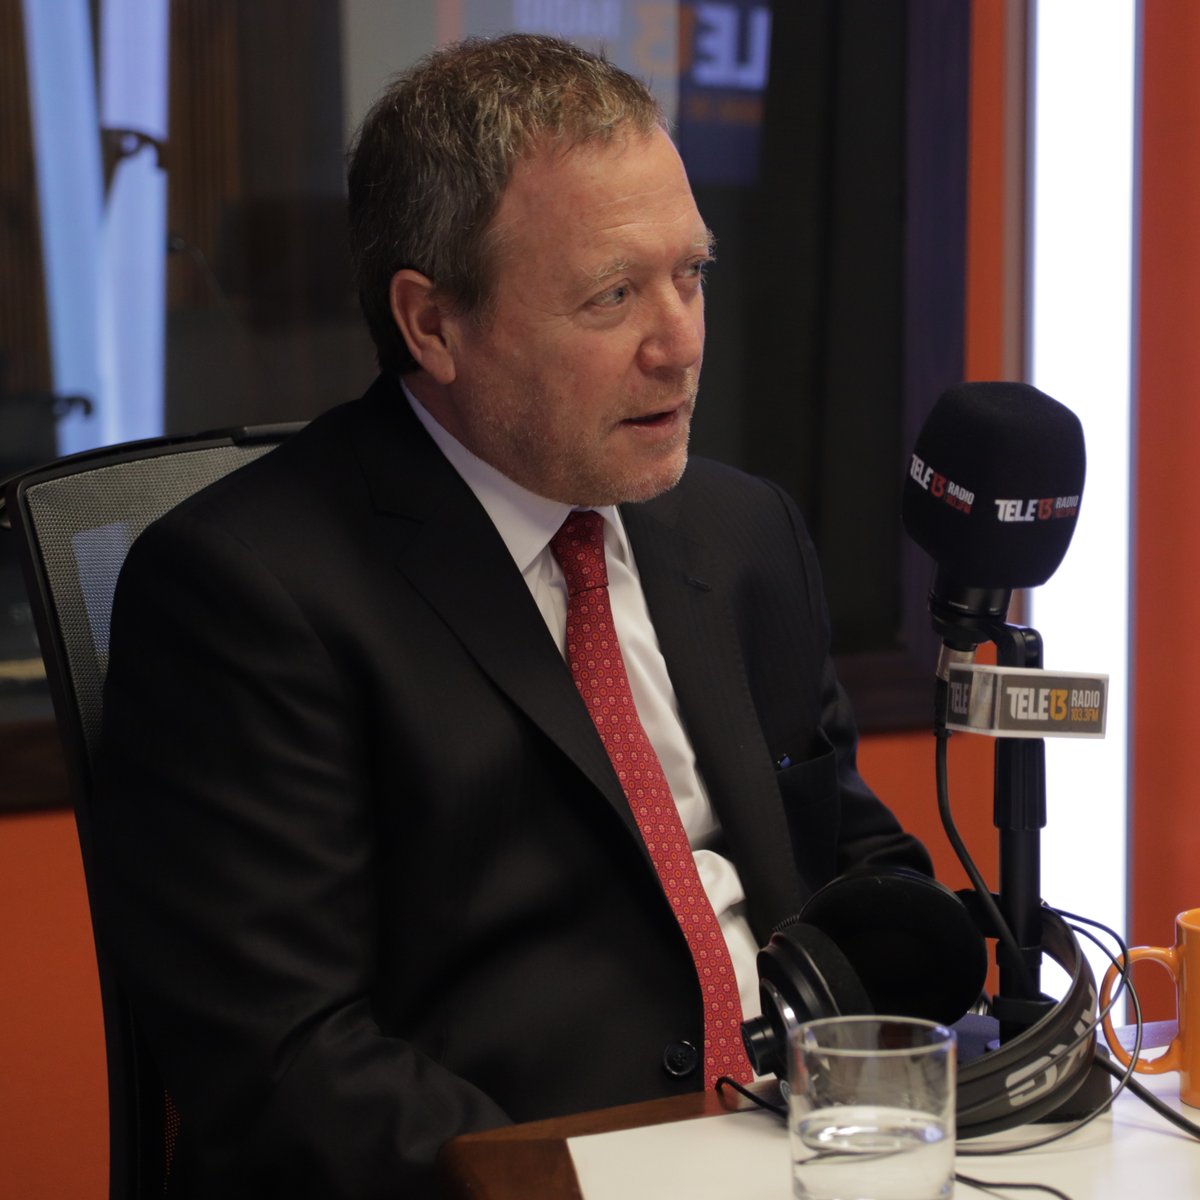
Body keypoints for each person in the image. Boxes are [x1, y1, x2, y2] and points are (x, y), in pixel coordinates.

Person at [96, 32, 931, 1199]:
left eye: (691, 275)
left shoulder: (741, 532)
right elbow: (289, 1062)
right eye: (613, 296)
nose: (679, 343)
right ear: (433, 325)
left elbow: (843, 858)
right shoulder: (245, 590)